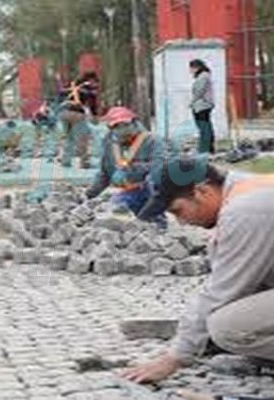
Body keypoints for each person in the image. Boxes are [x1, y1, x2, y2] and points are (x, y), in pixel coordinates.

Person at [123, 156, 274, 385]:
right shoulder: (245, 187)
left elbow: (221, 291)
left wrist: (175, 357)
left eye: (178, 211)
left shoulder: (244, 212)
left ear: (202, 191)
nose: (182, 223)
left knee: (228, 327)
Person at [86, 106, 166, 226]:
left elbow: (159, 168)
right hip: (129, 191)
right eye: (117, 126)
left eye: (125, 125)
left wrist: (132, 169)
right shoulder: (110, 144)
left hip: (150, 189)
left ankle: (158, 222)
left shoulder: (152, 141)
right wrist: (89, 195)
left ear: (134, 123)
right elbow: (104, 173)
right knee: (116, 209)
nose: (122, 129)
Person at [57, 79, 93, 168]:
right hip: (77, 114)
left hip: (63, 113)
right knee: (82, 138)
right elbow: (86, 105)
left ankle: (65, 160)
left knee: (69, 138)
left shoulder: (65, 90)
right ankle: (84, 162)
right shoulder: (85, 91)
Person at [190, 59, 216, 154]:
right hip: (202, 105)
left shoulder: (203, 76)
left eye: (191, 68)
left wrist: (192, 102)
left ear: (197, 67)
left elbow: (199, 91)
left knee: (204, 127)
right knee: (205, 127)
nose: (190, 71)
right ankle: (207, 148)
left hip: (202, 105)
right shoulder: (203, 76)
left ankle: (206, 148)